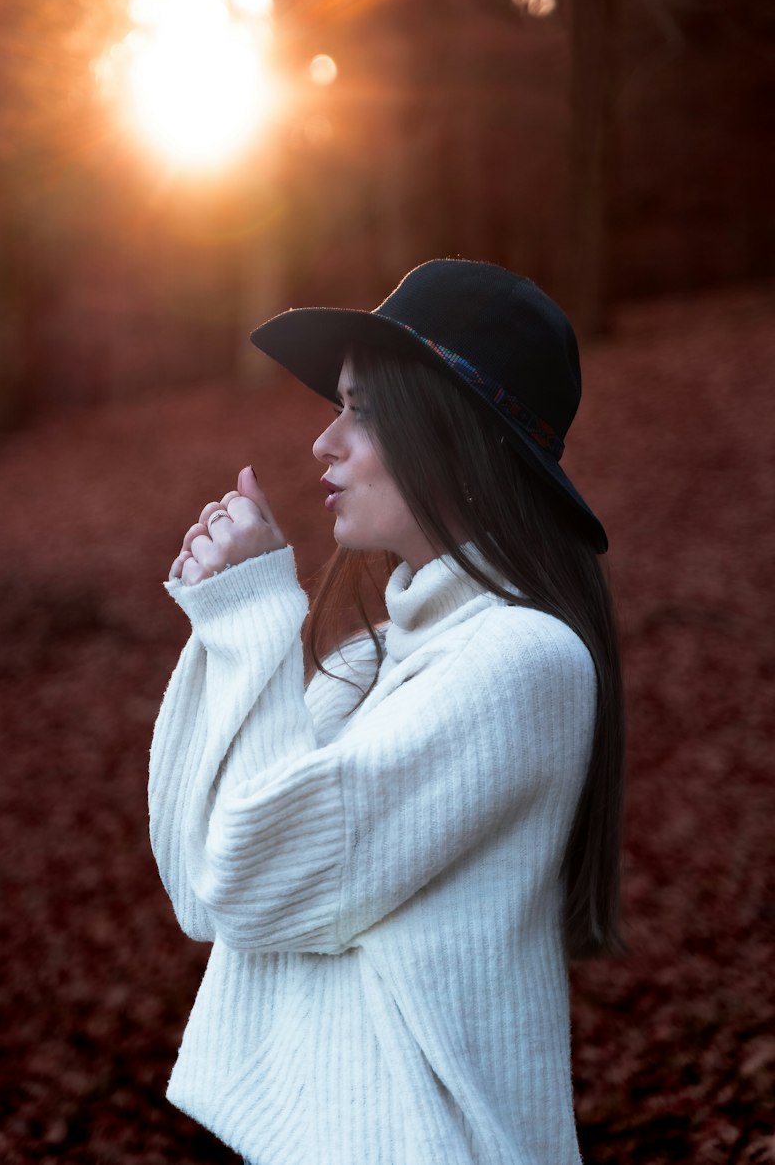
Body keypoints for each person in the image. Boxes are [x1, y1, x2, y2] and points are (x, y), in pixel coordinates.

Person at [148, 259, 624, 1165]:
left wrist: (255, 612)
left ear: (453, 432)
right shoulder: (374, 658)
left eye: (360, 411)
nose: (324, 444)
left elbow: (255, 886)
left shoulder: (525, 661)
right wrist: (224, 625)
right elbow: (202, 881)